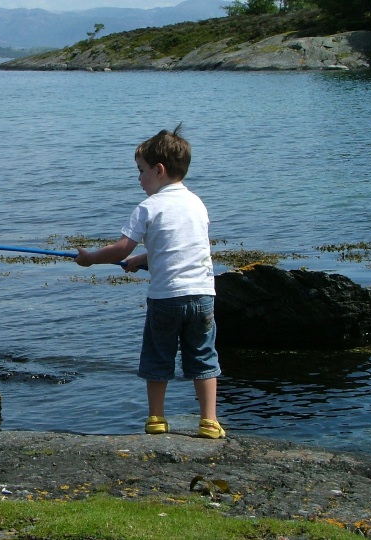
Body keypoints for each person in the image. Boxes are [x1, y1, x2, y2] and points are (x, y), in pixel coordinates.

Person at [75, 124, 225, 439]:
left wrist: (89, 258)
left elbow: (121, 248)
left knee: (158, 356)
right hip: (202, 296)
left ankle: (157, 418)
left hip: (166, 299)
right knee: (203, 355)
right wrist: (142, 260)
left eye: (141, 171)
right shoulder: (197, 203)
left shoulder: (148, 206)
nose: (139, 179)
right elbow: (184, 247)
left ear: (159, 171)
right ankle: (209, 421)